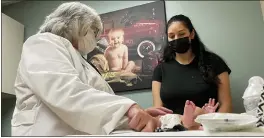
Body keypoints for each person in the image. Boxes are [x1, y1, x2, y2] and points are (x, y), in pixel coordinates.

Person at [11, 2, 173, 136]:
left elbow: (99, 107)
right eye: (95, 32)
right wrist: (129, 108)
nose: (97, 39)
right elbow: (67, 94)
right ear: (77, 24)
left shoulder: (81, 61)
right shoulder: (42, 43)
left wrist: (137, 115)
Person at [152, 14, 233, 115]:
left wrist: (212, 125)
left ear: (192, 34)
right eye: (172, 36)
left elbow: (226, 105)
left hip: (208, 127)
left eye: (181, 34)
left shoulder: (214, 62)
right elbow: (158, 110)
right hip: (173, 128)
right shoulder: (160, 70)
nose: (176, 39)